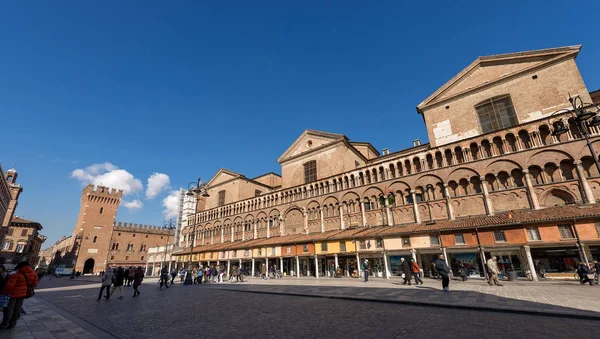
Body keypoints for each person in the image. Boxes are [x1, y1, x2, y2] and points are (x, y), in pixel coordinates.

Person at [1, 261, 38, 329]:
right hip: (23, 294)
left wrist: (4, 292)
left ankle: (5, 323)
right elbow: (34, 284)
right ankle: (13, 323)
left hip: (12, 294)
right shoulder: (34, 274)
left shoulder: (17, 274)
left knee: (9, 309)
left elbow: (9, 286)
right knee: (17, 308)